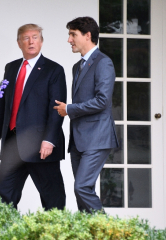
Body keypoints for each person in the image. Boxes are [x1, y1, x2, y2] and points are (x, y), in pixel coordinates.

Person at [0, 24, 67, 210]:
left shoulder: (54, 70)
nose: (31, 41)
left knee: (52, 198)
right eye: (26, 38)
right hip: (12, 143)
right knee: (3, 195)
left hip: (41, 145)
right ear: (19, 43)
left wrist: (49, 140)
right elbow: (2, 105)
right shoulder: (11, 68)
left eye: (35, 37)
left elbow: (57, 108)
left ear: (41, 41)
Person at [54, 17, 118, 213]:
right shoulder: (77, 66)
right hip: (79, 140)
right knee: (82, 191)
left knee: (81, 187)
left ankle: (108, 232)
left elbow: (102, 101)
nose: (69, 40)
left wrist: (70, 109)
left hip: (97, 137)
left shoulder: (103, 63)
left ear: (87, 35)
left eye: (73, 35)